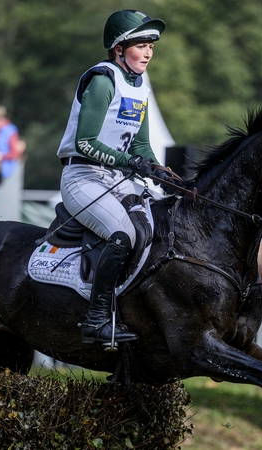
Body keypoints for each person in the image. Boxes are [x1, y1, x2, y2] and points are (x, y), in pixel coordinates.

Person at [56, 9, 169, 344]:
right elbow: (85, 142)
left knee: (157, 228)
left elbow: (144, 146)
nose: (148, 52)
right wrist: (131, 162)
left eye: (151, 45)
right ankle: (95, 321)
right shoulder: (104, 81)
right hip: (83, 177)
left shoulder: (140, 88)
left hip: (117, 180)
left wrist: (168, 176)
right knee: (122, 234)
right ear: (120, 48)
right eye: (141, 44)